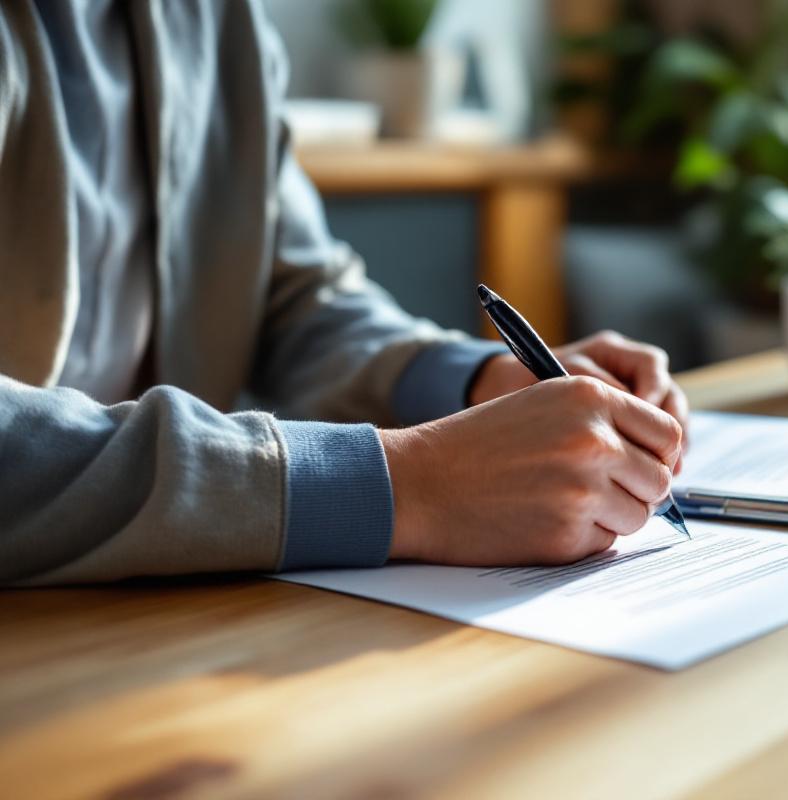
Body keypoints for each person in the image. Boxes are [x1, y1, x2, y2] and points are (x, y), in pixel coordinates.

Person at [0, 1, 688, 586]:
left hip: (154, 606)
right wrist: (409, 484)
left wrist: (480, 381)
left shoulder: (217, 18)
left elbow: (291, 297)